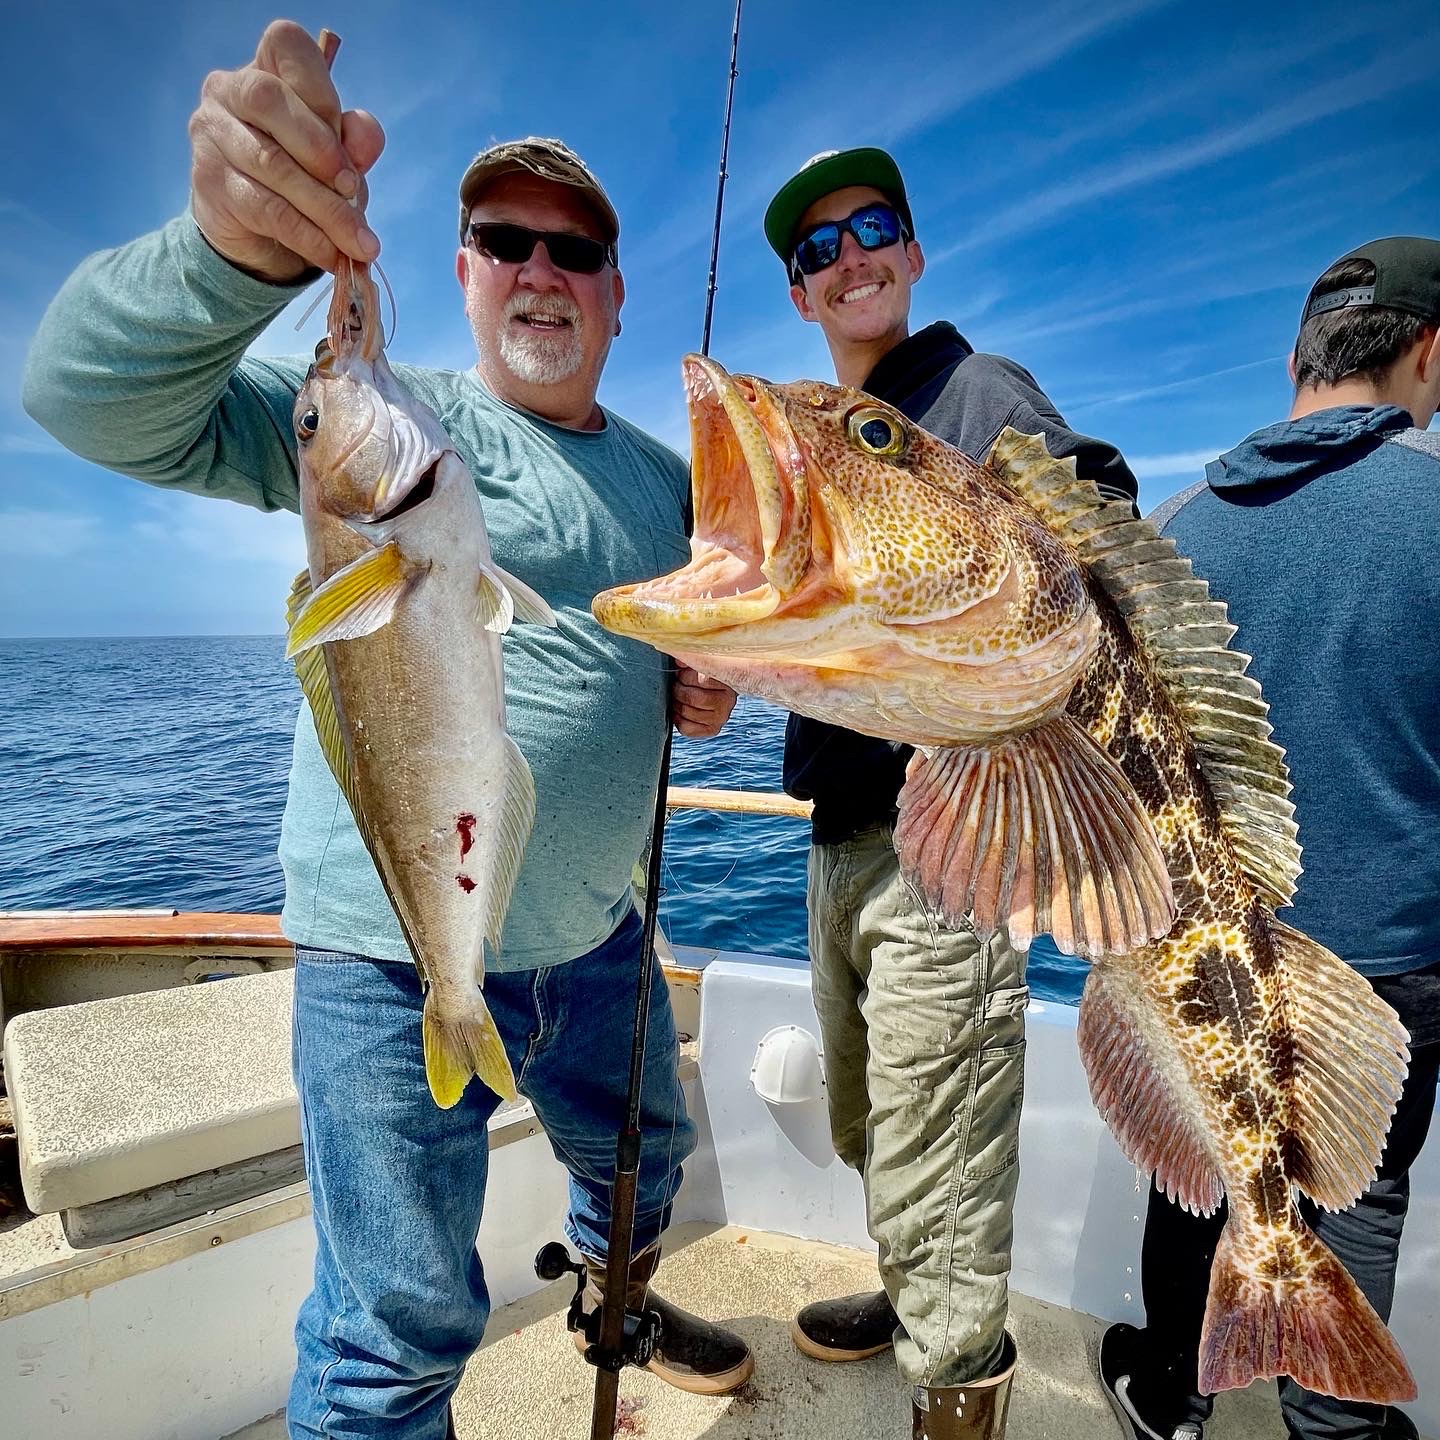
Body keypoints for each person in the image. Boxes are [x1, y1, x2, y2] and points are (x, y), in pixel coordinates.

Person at [23, 20, 753, 1439]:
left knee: (646, 1168)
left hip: (601, 928)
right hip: (389, 947)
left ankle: (621, 1293)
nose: (540, 271)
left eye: (575, 251)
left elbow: (661, 639)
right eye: (504, 240)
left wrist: (687, 686)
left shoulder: (672, 482)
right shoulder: (390, 434)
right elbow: (87, 396)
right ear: (466, 273)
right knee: (398, 1317)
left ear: (615, 292)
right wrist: (226, 255)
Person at [761, 147, 1139, 1438]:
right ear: (803, 293)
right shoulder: (832, 428)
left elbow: (1093, 531)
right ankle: (916, 1287)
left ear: (913, 254)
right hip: (840, 836)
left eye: (874, 228)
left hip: (947, 847)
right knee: (878, 1115)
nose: (850, 254)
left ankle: (957, 1375)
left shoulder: (973, 390)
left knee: (943, 1136)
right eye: (818, 249)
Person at [1097, 237, 1440, 1440]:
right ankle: (1331, 1421)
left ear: (1294, 361)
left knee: (1192, 1183)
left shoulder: (1171, 530)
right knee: (1354, 1203)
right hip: (1385, 972)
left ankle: (1169, 1400)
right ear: (1428, 351)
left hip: (1187, 966)